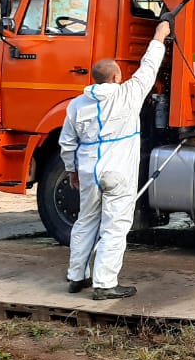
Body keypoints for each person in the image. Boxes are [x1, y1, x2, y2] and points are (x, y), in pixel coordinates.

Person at [60, 19, 170, 299]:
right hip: (117, 171)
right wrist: (160, 33)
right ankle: (105, 284)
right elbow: (149, 66)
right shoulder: (128, 95)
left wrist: (71, 171)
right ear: (115, 78)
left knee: (85, 221)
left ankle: (76, 277)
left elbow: (67, 143)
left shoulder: (76, 104)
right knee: (114, 226)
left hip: (88, 170)